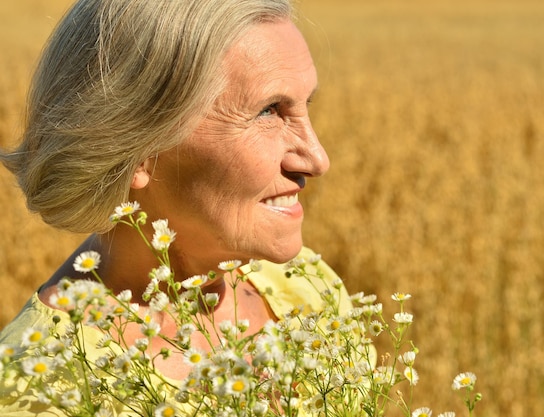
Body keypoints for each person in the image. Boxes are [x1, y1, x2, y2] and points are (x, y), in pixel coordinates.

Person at [0, 0, 354, 415]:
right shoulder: (45, 392)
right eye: (267, 112)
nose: (316, 159)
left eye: (305, 105)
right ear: (136, 149)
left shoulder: (307, 290)